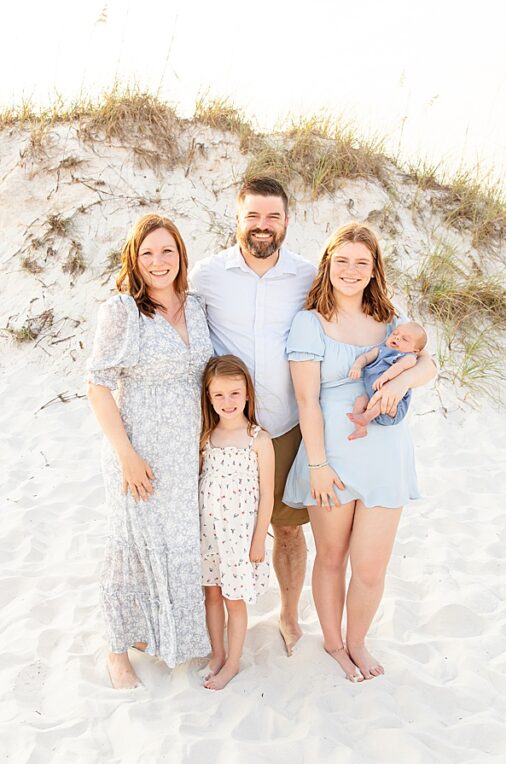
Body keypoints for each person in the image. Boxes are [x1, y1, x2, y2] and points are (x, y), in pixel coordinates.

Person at [283, 222, 435, 681]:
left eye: (361, 263)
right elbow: (307, 400)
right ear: (328, 264)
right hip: (332, 454)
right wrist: (317, 465)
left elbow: (428, 362)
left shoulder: (390, 322)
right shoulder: (309, 322)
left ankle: (358, 642)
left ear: (374, 271)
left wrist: (406, 378)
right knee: (332, 556)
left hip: (387, 456)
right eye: (342, 261)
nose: (350, 271)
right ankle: (333, 644)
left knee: (370, 565)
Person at [189, 177, 316, 656]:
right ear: (237, 219)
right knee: (212, 526)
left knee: (286, 527)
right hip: (224, 427)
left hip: (283, 424)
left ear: (286, 221)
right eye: (253, 216)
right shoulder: (207, 275)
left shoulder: (306, 275)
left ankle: (288, 614)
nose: (263, 227)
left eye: (273, 217)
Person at [86, 214, 214, 688]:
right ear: (134, 262)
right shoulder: (122, 311)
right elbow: (97, 386)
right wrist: (127, 455)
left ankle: (158, 636)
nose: (158, 262)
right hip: (137, 451)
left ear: (181, 255)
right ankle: (116, 653)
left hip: (186, 456)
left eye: (167, 251)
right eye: (147, 254)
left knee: (176, 546)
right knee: (129, 548)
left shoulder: (197, 307)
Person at [198, 355, 274, 690]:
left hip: (240, 537)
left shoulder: (258, 439)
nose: (227, 402)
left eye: (234, 393)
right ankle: (217, 653)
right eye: (219, 395)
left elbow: (268, 495)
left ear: (247, 394)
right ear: (209, 397)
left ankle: (233, 662)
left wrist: (259, 539)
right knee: (211, 594)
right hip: (209, 534)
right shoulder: (207, 437)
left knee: (233, 598)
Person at [345, 321, 428, 440]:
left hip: (393, 405)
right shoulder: (380, 350)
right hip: (372, 400)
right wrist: (357, 366)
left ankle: (366, 417)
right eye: (395, 333)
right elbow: (365, 357)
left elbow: (398, 367)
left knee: (383, 397)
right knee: (360, 401)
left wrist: (385, 377)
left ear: (415, 350)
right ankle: (360, 429)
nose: (397, 337)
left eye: (405, 339)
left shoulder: (409, 357)